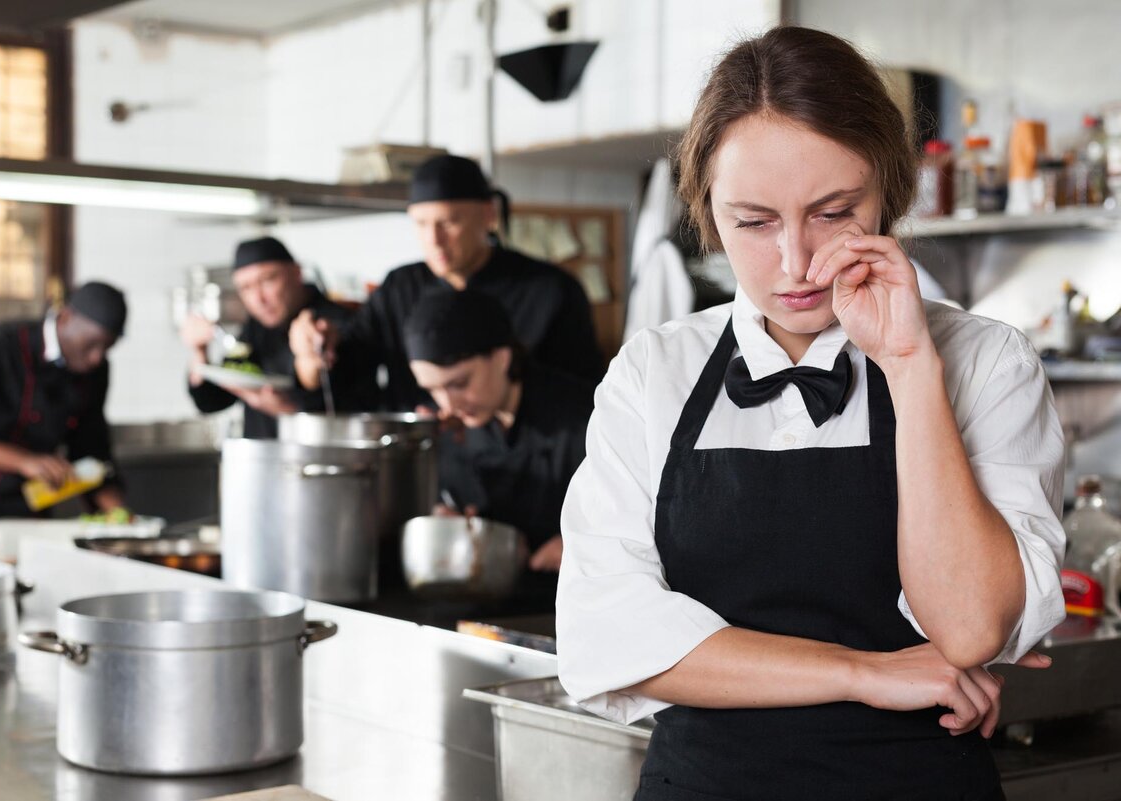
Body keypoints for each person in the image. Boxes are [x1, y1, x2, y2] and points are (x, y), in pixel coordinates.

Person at [556, 27, 1066, 801]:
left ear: (889, 193)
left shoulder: (985, 362)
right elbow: (607, 638)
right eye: (753, 222)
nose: (794, 263)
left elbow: (967, 627)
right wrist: (863, 671)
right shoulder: (652, 373)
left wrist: (908, 364)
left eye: (833, 212)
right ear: (707, 212)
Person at [306, 154, 604, 411]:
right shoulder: (400, 287)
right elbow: (347, 365)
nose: (434, 240)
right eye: (421, 224)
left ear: (488, 215)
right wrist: (316, 346)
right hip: (415, 457)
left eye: (449, 222)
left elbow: (580, 394)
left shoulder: (550, 290)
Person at [404, 288, 594, 605]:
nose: (448, 404)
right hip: (483, 601)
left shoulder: (586, 414)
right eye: (433, 389)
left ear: (502, 358)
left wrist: (583, 543)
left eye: (459, 383)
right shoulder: (447, 429)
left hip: (572, 604)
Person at [0, 282, 129, 519]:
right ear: (65, 317)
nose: (97, 357)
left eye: (108, 347)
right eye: (91, 343)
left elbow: (90, 447)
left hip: (23, 513)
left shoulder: (95, 371)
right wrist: (24, 461)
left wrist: (120, 516)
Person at [181, 236, 371, 438]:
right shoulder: (255, 328)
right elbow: (212, 401)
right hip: (262, 458)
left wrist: (291, 410)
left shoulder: (336, 323)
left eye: (267, 280)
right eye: (246, 288)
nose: (258, 299)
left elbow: (351, 405)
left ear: (296, 273)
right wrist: (199, 352)